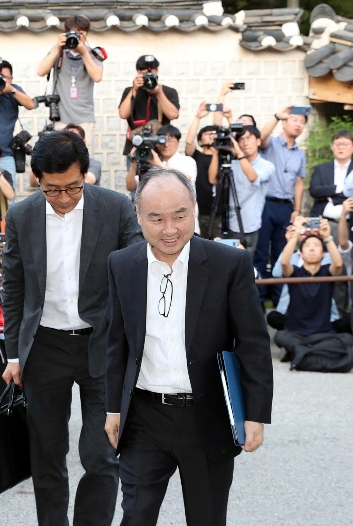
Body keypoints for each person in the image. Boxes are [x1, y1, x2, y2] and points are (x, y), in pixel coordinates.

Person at [104, 167, 273, 526]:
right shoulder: (122, 264)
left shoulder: (229, 263)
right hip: (145, 416)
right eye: (157, 218)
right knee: (135, 515)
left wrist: (255, 412)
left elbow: (253, 342)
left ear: (194, 209)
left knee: (207, 517)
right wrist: (113, 408)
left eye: (180, 215)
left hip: (206, 415)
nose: (170, 229)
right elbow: (116, 342)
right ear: (139, 216)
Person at [2, 130, 143, 525]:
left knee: (102, 456)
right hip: (44, 348)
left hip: (102, 344)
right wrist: (13, 353)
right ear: (37, 180)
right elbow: (12, 286)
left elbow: (137, 273)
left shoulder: (115, 208)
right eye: (53, 190)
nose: (64, 198)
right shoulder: (22, 214)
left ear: (86, 174)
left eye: (73, 188)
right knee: (46, 455)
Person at [254, 105, 308, 305]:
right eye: (294, 120)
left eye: (302, 122)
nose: (298, 125)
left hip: (286, 207)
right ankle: (258, 300)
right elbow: (260, 136)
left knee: (282, 253)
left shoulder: (300, 154)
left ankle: (278, 300)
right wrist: (277, 116)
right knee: (260, 253)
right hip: (265, 204)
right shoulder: (271, 144)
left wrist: (297, 209)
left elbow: (299, 182)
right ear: (285, 122)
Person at [274, 216, 344, 361]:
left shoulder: (327, 272)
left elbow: (338, 265)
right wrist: (296, 235)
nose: (312, 248)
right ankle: (311, 351)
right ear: (300, 253)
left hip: (322, 332)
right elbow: (284, 263)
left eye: (316, 245)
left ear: (323, 254)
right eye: (307, 245)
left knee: (346, 340)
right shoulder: (295, 272)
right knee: (280, 337)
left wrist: (327, 237)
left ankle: (300, 352)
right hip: (295, 332)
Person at [37, 15, 104, 149]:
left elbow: (97, 77)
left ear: (86, 34)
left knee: (84, 160)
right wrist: (57, 47)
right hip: (61, 117)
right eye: (73, 33)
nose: (77, 37)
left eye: (81, 34)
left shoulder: (93, 53)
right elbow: (41, 71)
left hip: (85, 118)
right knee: (61, 160)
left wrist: (84, 53)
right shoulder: (58, 51)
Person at [207, 126, 275, 254]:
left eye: (249, 138)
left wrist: (239, 154)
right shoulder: (232, 164)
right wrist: (216, 153)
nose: (245, 142)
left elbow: (253, 177)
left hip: (247, 224)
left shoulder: (267, 166)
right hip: (226, 222)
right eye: (241, 139)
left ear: (258, 141)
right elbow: (212, 179)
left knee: (243, 265)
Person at [119, 55, 179, 161]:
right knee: (135, 177)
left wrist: (159, 93)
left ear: (157, 71)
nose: (148, 77)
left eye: (150, 73)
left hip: (161, 148)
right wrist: (134, 90)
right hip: (136, 146)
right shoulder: (130, 91)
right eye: (143, 73)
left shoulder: (168, 92)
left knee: (161, 177)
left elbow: (173, 115)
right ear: (138, 73)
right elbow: (123, 114)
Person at [309, 130, 353, 240]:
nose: (341, 147)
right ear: (331, 147)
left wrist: (329, 194)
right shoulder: (321, 169)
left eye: (345, 144)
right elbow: (314, 191)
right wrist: (340, 189)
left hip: (349, 222)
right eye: (337, 144)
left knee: (347, 254)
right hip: (322, 221)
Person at [28, 123, 101, 187]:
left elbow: (86, 181)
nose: (70, 143)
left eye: (75, 138)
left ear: (83, 142)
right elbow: (33, 183)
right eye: (66, 139)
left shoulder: (93, 163)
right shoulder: (54, 163)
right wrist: (38, 155)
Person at [185, 107, 219, 237]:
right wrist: (197, 117)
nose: (212, 135)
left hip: (219, 213)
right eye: (207, 133)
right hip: (199, 211)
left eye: (214, 133)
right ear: (200, 141)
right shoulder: (196, 156)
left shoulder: (223, 157)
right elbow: (189, 141)